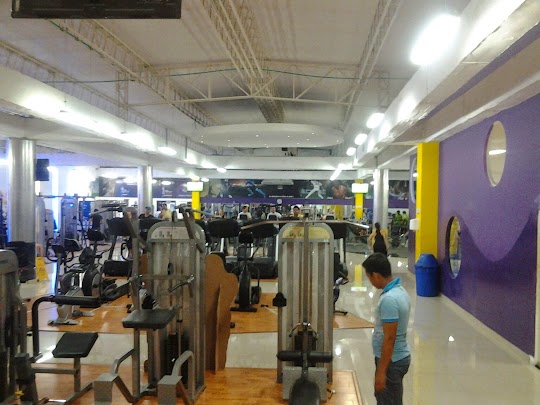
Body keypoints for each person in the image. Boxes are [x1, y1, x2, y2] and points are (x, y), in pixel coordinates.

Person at [362, 253, 411, 405]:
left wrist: (381, 371)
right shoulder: (400, 291)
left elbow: (389, 338)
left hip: (391, 361)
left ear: (376, 275)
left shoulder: (389, 300)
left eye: (369, 277)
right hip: (396, 358)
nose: (370, 282)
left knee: (387, 400)